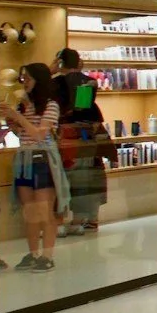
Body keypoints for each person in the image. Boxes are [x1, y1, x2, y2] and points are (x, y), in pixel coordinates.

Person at [2, 62, 62, 271]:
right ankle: (33, 253)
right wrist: (13, 124)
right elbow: (24, 134)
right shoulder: (24, 104)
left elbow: (40, 134)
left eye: (28, 78)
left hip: (42, 159)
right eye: (23, 78)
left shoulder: (51, 105)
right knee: (29, 211)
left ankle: (47, 255)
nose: (24, 82)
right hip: (24, 158)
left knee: (45, 210)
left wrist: (17, 116)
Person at [51, 47, 107, 236]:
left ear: (60, 63)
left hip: (66, 137)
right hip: (88, 136)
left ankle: (65, 221)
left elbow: (70, 110)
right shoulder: (90, 82)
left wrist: (50, 71)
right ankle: (87, 218)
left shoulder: (55, 84)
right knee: (88, 178)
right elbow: (81, 107)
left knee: (66, 179)